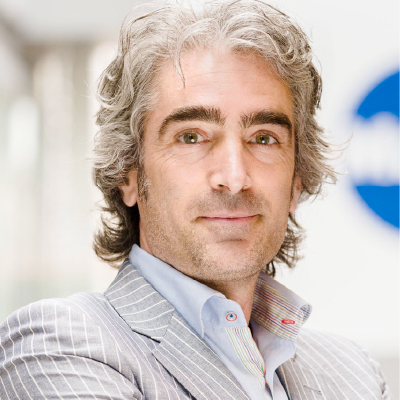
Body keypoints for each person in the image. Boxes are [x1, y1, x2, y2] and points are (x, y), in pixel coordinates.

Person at [0, 1, 392, 399]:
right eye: (191, 137)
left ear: (296, 181)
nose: (234, 178)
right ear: (127, 173)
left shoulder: (353, 374)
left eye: (263, 138)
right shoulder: (57, 346)